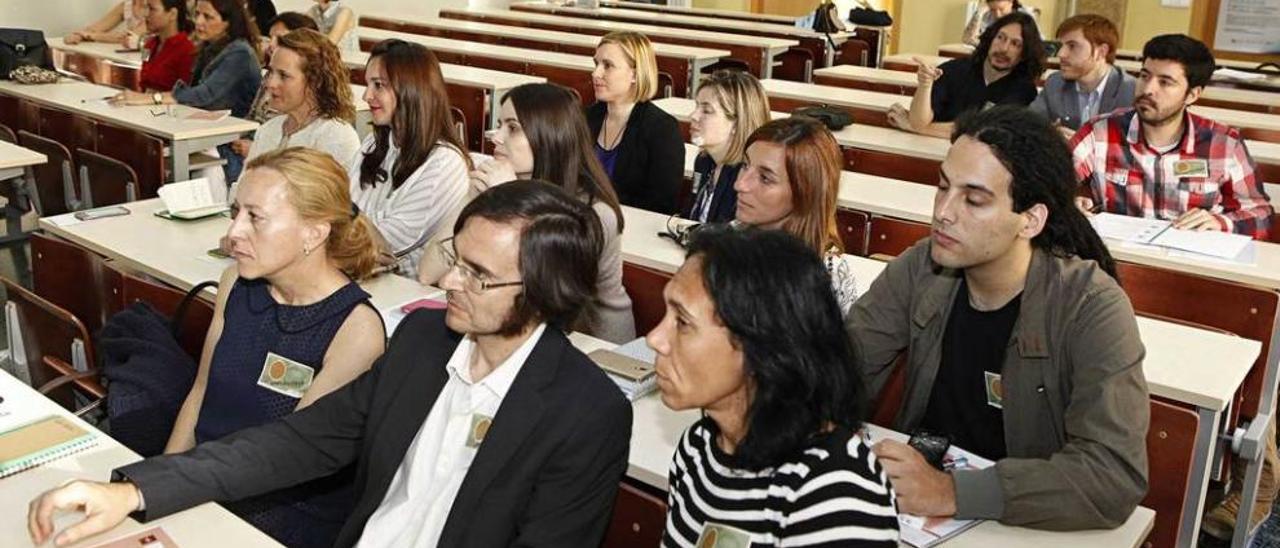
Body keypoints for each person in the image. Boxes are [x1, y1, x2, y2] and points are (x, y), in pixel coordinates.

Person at [28, 181, 633, 548]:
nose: (449, 279)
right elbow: (296, 443)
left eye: (478, 274)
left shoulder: (585, 414)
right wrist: (136, 489)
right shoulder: (425, 341)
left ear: (546, 292)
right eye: (456, 257)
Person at [848, 105, 1149, 529]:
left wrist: (951, 492)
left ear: (1030, 220)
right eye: (942, 187)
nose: (943, 212)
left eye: (973, 199)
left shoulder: (1091, 306)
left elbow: (1111, 475)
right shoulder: (922, 267)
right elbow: (842, 368)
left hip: (1023, 520)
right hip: (920, 514)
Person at [163, 148, 384, 546]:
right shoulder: (235, 283)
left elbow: (288, 460)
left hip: (282, 512)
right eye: (236, 213)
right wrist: (161, 484)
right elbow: (200, 393)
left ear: (314, 233)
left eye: (255, 218)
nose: (233, 234)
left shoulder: (356, 331)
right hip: (207, 483)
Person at [650, 225, 900, 546]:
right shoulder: (698, 450)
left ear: (760, 346)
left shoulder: (836, 492)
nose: (655, 338)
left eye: (682, 322)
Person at [468, 83, 636, 343]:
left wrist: (509, 199)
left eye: (512, 128)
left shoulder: (595, 213)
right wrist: (472, 199)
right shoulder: (510, 184)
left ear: (548, 136)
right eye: (499, 125)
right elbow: (428, 272)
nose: (496, 137)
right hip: (528, 333)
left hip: (593, 343)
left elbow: (545, 290)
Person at [1070, 34, 1273, 240]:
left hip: (1191, 264)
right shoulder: (1099, 131)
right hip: (1116, 260)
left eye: (1165, 82)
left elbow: (1261, 215)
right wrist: (1070, 202)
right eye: (1144, 76)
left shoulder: (1224, 144)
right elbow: (1047, 184)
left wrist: (1220, 222)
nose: (1148, 89)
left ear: (1192, 95)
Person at [350, 39, 470, 280]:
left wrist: (345, 218)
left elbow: (386, 243)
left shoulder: (444, 163)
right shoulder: (374, 143)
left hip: (403, 290)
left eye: (378, 85)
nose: (366, 95)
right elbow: (341, 213)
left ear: (411, 90)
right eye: (367, 84)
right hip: (361, 276)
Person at [110, 0, 263, 182]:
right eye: (197, 14)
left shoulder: (240, 53)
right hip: (206, 133)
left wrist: (151, 98)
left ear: (228, 22)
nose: (198, 22)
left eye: (207, 17)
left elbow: (202, 96)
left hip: (230, 145)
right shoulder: (209, 47)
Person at [734, 117, 857, 315]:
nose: (740, 184)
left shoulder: (827, 276)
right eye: (744, 166)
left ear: (804, 191)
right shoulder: (731, 238)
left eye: (765, 178)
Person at [889, 12, 1043, 139]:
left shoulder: (1023, 89)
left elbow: (982, 129)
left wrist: (918, 129)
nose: (1004, 48)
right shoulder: (953, 70)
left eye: (1015, 44)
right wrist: (925, 85)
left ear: (1024, 54)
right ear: (990, 39)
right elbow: (919, 120)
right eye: (1000, 37)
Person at [586, 31, 685, 215]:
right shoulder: (586, 117)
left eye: (607, 66)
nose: (595, 73)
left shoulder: (662, 129)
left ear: (635, 75)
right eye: (596, 63)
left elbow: (661, 205)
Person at [241, 29, 360, 172]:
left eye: (284, 75)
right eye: (270, 72)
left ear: (315, 81)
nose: (270, 83)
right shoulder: (268, 130)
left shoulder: (336, 138)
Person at [683, 69, 771, 224]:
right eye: (696, 106)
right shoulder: (704, 161)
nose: (693, 116)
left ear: (737, 123)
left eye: (707, 111)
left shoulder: (748, 177)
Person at [231, 11, 321, 159]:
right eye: (270, 37)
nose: (271, 44)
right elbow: (253, 115)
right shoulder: (269, 75)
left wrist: (256, 149)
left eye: (280, 39)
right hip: (254, 142)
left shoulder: (328, 134)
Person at [1030, 14, 1135, 136]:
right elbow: (1029, 126)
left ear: (1101, 52)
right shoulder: (1055, 83)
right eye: (1061, 46)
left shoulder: (1131, 91)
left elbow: (1137, 148)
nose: (1061, 54)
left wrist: (1082, 146)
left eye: (1072, 46)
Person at [138, 0, 197, 92]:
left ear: (172, 14)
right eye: (146, 8)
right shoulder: (148, 45)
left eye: (152, 9)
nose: (146, 14)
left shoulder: (187, 50)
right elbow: (143, 80)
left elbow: (185, 94)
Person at [65, 0, 147, 47]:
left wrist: (89, 35)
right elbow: (95, 28)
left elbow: (130, 37)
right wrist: (78, 35)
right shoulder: (127, 5)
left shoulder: (155, 8)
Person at [961, 0, 1035, 46]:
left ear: (1011, 2)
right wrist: (979, 13)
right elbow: (967, 39)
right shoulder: (987, 15)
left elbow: (1039, 46)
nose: (997, 15)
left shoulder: (1024, 17)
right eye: (993, 10)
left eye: (1001, 9)